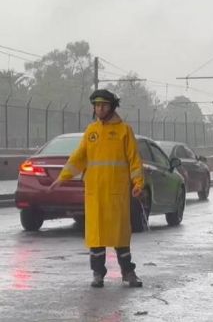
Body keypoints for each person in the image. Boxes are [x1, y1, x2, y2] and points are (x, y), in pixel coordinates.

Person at [49, 89, 145, 288]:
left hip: (116, 194)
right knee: (96, 236)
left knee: (120, 236)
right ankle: (98, 273)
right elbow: (78, 158)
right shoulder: (91, 131)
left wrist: (138, 184)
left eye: (104, 105)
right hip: (95, 195)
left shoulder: (124, 131)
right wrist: (62, 177)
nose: (100, 109)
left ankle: (128, 272)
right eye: (97, 105)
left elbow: (134, 160)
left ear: (112, 107)